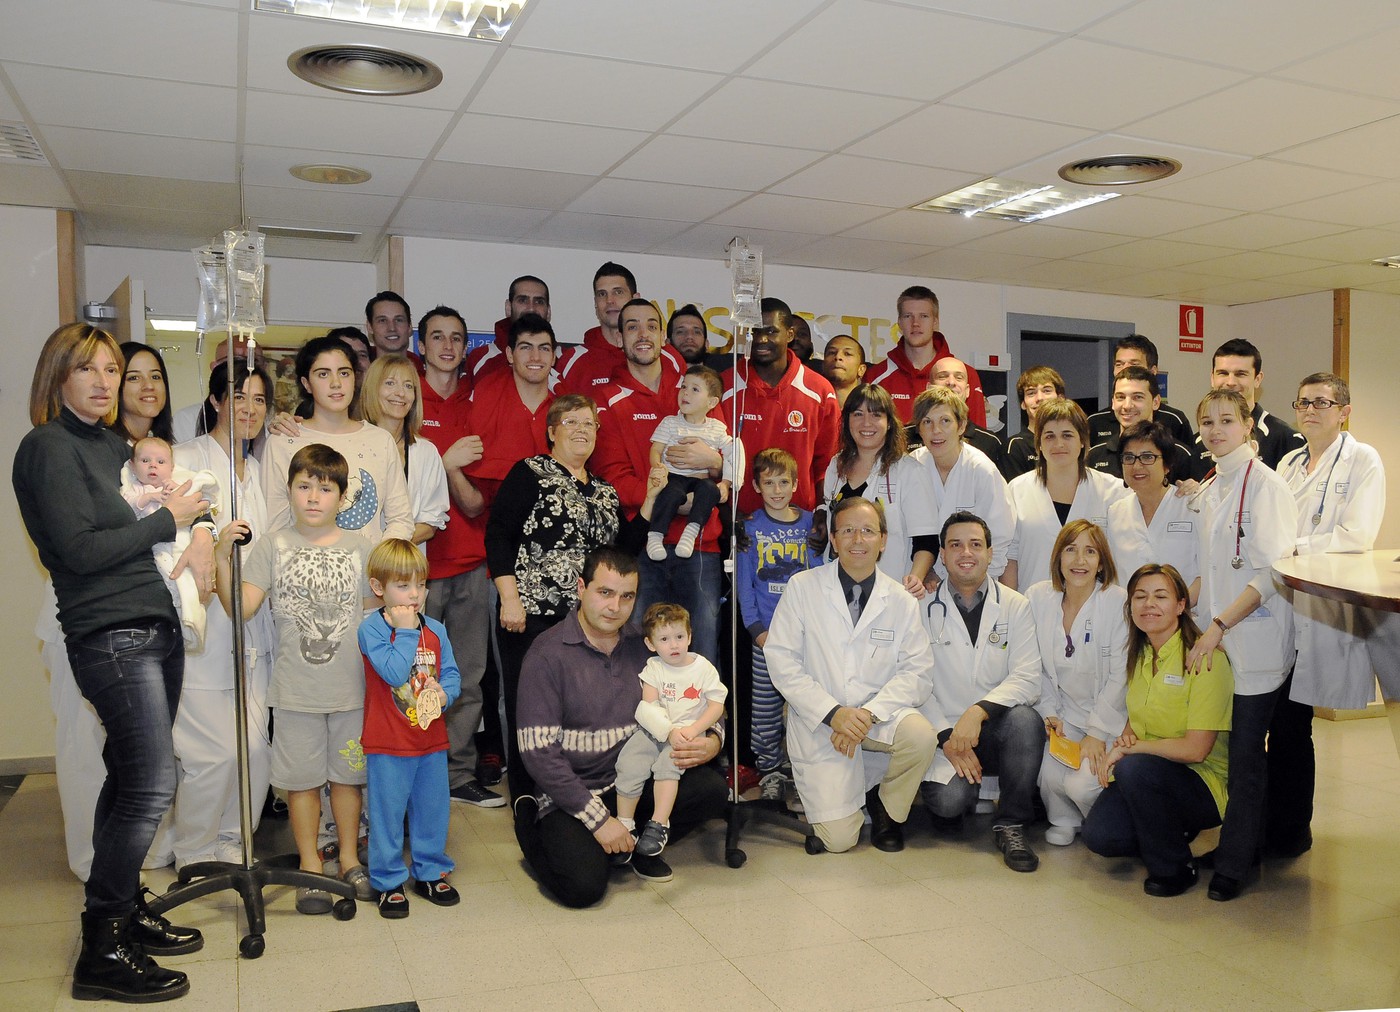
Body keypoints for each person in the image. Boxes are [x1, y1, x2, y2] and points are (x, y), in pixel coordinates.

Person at [15, 323, 212, 1002]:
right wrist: (171, 522)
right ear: (56, 376)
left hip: (154, 621)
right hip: (108, 630)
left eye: (111, 368)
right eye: (87, 369)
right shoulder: (47, 447)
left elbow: (177, 499)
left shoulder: (114, 446)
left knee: (128, 775)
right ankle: (101, 947)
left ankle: (124, 909)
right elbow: (78, 551)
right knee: (152, 784)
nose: (103, 382)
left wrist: (198, 526)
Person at [514, 547, 727, 906]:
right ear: (581, 588)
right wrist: (599, 822)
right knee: (583, 888)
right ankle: (531, 824)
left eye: (627, 596)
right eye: (605, 593)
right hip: (572, 794)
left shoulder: (646, 647)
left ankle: (640, 844)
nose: (615, 607)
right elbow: (539, 755)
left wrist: (713, 742)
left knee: (710, 789)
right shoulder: (546, 654)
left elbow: (703, 699)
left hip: (632, 781)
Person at [217, 444, 378, 913]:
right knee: (302, 783)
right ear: (288, 491)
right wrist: (225, 559)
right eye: (303, 486)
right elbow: (241, 609)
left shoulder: (361, 548)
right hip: (294, 691)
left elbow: (374, 621)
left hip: (351, 691)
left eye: (324, 488)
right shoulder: (273, 545)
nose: (313, 497)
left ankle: (348, 857)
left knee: (348, 779)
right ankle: (310, 865)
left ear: (342, 497)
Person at [765, 497, 939, 854]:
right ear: (833, 538)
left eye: (868, 531)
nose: (857, 540)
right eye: (847, 531)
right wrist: (834, 714)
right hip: (823, 725)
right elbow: (782, 661)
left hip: (876, 718)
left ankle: (887, 807)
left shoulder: (901, 600)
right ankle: (854, 790)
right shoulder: (802, 588)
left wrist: (867, 715)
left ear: (884, 540)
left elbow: (917, 673)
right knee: (839, 841)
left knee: (921, 736)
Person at [1186, 388, 1297, 902]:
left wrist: (1218, 626)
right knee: (1231, 751)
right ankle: (1238, 843)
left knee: (1249, 753)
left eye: (1226, 420)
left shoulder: (1265, 487)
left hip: (1254, 640)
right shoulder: (1216, 483)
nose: (1215, 430)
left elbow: (1271, 572)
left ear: (1248, 424)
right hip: (1221, 638)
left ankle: (1238, 864)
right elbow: (1213, 569)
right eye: (1207, 422)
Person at [486, 393, 621, 800]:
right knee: (530, 708)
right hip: (530, 613)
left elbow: (622, 547)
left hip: (586, 623)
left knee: (579, 706)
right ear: (552, 432)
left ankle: (574, 792)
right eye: (572, 422)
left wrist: (651, 500)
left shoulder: (604, 490)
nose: (582, 430)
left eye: (589, 423)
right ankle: (527, 795)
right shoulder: (531, 472)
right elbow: (499, 534)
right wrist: (510, 598)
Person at [170, 357, 277, 871]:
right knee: (212, 754)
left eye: (259, 400)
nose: (249, 409)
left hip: (255, 625)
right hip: (204, 623)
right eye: (238, 397)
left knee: (256, 750)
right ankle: (193, 850)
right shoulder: (186, 458)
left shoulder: (259, 468)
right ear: (215, 401)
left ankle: (237, 839)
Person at [1275, 373, 1386, 857]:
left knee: (1295, 727)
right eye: (1303, 402)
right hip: (1282, 606)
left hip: (1323, 609)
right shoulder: (1288, 462)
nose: (1311, 410)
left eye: (1322, 402)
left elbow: (1356, 535)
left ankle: (1292, 831)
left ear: (1344, 410)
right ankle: (1272, 824)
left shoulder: (1363, 459)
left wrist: (1292, 547)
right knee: (1279, 723)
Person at [1083, 564, 1233, 897]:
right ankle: (1167, 830)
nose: (1149, 604)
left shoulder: (1205, 659)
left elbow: (1196, 750)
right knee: (1100, 837)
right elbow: (1138, 720)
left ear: (1181, 605)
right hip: (1154, 775)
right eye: (1140, 596)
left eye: (1160, 596)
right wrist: (1126, 737)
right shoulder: (1141, 655)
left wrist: (1131, 750)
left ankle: (1175, 868)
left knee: (1134, 767)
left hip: (1203, 783)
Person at [592, 298, 726, 663]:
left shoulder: (696, 388)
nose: (643, 334)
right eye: (632, 326)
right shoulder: (607, 400)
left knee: (702, 655)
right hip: (642, 547)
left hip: (700, 545)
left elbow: (725, 461)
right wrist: (668, 498)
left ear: (663, 335)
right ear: (619, 337)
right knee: (640, 655)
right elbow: (612, 478)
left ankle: (707, 723)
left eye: (651, 325)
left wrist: (714, 464)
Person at [919, 512, 1044, 872]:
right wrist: (946, 735)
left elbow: (1028, 677)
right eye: (955, 545)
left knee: (1025, 720)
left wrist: (978, 712)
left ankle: (1012, 823)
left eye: (976, 544)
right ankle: (963, 794)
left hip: (996, 727)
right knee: (947, 803)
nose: (966, 553)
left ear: (990, 553)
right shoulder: (921, 607)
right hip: (944, 731)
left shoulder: (1015, 605)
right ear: (942, 554)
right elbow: (914, 682)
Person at [416, 305, 503, 807]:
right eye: (437, 337)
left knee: (467, 678)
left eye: (456, 338)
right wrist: (446, 465)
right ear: (421, 345)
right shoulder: (406, 402)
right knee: (418, 678)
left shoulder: (477, 403)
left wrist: (447, 470)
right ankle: (421, 773)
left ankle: (459, 774)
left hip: (472, 562)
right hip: (419, 568)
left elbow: (474, 501)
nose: (447, 347)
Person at [358, 538, 463, 918]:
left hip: (430, 740)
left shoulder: (435, 629)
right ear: (378, 588)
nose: (414, 594)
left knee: (432, 809)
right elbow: (393, 671)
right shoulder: (371, 630)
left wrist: (445, 693)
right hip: (387, 742)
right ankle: (387, 881)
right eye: (403, 586)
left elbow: (451, 674)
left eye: (420, 584)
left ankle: (430, 870)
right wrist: (404, 630)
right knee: (387, 815)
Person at [1026, 521, 1128, 846]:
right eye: (1070, 550)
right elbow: (1034, 665)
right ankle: (1065, 820)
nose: (1079, 561)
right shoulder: (1039, 598)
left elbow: (1122, 674)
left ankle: (1115, 824)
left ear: (1102, 561)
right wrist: (1048, 711)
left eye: (1089, 551)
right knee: (1049, 778)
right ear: (1058, 557)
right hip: (1065, 714)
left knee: (1081, 785)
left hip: (1110, 720)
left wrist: (1098, 733)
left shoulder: (1117, 601)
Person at [263, 334, 413, 542]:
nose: (336, 383)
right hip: (301, 570)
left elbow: (400, 520)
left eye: (344, 373)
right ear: (306, 384)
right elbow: (274, 524)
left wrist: (381, 564)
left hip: (368, 570)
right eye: (323, 374)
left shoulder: (380, 440)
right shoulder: (284, 439)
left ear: (355, 378)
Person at [615, 603, 727, 856]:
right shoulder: (654, 668)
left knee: (669, 764)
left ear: (689, 636)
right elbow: (647, 707)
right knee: (630, 762)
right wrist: (667, 731)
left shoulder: (703, 668)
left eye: (679, 637)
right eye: (664, 639)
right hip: (656, 730)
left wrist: (695, 729)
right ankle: (625, 823)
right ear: (651, 644)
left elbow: (716, 705)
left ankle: (659, 823)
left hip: (688, 732)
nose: (673, 645)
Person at [738, 449, 817, 801]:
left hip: (806, 636)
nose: (776, 489)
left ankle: (805, 771)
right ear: (756, 485)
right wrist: (757, 630)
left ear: (796, 484)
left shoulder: (811, 523)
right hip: (767, 638)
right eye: (768, 482)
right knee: (765, 710)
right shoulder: (750, 527)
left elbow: (819, 579)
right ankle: (769, 769)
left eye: (783, 481)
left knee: (806, 706)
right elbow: (744, 584)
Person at [722, 296, 839, 514]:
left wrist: (823, 512)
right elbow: (714, 461)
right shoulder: (725, 388)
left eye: (771, 331)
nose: (761, 339)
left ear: (790, 335)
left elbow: (827, 465)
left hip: (800, 524)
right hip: (739, 525)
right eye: (755, 331)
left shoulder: (819, 391)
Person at [1002, 398, 1132, 592]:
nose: (1058, 444)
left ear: (1082, 441)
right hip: (1033, 608)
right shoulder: (1017, 490)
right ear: (1038, 444)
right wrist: (1010, 611)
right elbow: (1010, 558)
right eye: (1049, 436)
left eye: (1067, 435)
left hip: (1095, 608)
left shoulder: (1112, 491)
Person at [898, 386, 1013, 596]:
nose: (936, 431)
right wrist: (928, 571)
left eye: (945, 421)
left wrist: (970, 584)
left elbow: (999, 539)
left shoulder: (982, 470)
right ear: (918, 429)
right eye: (927, 422)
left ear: (961, 426)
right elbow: (909, 534)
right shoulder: (909, 467)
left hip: (972, 584)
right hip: (918, 583)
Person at [121, 435, 221, 650]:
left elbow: (199, 504)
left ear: (172, 466)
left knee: (184, 579)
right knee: (166, 578)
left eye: (160, 462)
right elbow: (128, 505)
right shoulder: (136, 489)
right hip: (148, 549)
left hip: (176, 544)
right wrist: (150, 497)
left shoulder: (175, 485)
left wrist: (172, 491)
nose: (153, 466)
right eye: (145, 461)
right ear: (132, 465)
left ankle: (189, 618)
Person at [646, 365, 736, 560]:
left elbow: (732, 453)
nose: (685, 393)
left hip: (700, 480)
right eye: (684, 387)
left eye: (695, 389)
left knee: (710, 489)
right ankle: (655, 535)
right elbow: (656, 449)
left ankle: (691, 531)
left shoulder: (717, 428)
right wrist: (658, 467)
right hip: (674, 477)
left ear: (712, 402)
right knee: (671, 492)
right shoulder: (670, 422)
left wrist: (727, 483)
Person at [820, 383, 908, 582]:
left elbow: (924, 540)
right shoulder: (836, 465)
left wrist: (915, 581)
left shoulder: (908, 470)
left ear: (890, 422)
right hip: (839, 580)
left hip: (892, 582)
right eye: (858, 414)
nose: (866, 423)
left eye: (876, 415)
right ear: (847, 421)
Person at [359, 353, 450, 545]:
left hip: (403, 568)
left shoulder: (426, 452)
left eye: (408, 386)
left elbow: (430, 521)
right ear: (372, 389)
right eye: (390, 383)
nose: (400, 393)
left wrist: (385, 551)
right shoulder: (350, 442)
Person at [865, 285, 986, 426]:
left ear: (935, 322)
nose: (915, 323)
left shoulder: (964, 375)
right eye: (908, 316)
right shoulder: (877, 376)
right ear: (899, 322)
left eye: (924, 316)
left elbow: (979, 436)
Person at [1105, 420, 1199, 590]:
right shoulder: (1115, 512)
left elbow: (1208, 572)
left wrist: (1179, 607)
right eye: (1129, 457)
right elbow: (1114, 577)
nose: (1137, 465)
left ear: (1167, 465)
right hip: (1132, 614)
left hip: (1186, 612)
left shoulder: (1192, 505)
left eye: (1148, 457)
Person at [1192, 338, 1304, 474]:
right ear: (1212, 378)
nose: (1230, 382)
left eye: (1240, 374)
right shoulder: (1197, 442)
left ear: (1258, 379)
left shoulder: (1286, 440)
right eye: (1223, 373)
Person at [1086, 365, 1197, 480]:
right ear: (1113, 402)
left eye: (1137, 397)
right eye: (1120, 397)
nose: (1127, 406)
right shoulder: (1094, 457)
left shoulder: (1180, 455)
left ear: (1156, 402)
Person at [1086, 335, 1193, 447]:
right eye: (1119, 364)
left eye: (1134, 364)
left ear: (1153, 371)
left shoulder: (1174, 420)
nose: (1125, 369)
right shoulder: (1095, 422)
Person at [469, 274, 552, 386]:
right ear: (508, 308)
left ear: (548, 311)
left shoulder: (565, 360)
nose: (531, 308)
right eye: (522, 300)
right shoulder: (478, 359)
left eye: (539, 302)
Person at [932, 355, 1004, 469]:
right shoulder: (905, 437)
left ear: (967, 391)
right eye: (942, 376)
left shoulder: (990, 442)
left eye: (959, 377)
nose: (951, 382)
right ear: (928, 387)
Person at [1002, 365, 1065, 480]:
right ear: (1023, 404)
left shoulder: (1072, 441)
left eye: (1046, 391)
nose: (1039, 398)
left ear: (1060, 398)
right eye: (1031, 393)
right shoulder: (1016, 446)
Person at [667, 302, 730, 371]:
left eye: (697, 332)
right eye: (680, 332)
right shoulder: (655, 378)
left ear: (706, 344)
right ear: (667, 343)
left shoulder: (729, 374)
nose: (689, 336)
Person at [821, 333, 867, 408]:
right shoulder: (812, 404)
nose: (838, 357)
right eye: (832, 352)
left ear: (861, 369)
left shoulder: (871, 408)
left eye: (847, 354)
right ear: (823, 365)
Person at [366, 290, 413, 357]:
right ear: (369, 327)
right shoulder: (354, 366)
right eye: (382, 321)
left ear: (410, 326)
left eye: (399, 320)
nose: (392, 328)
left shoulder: (420, 366)